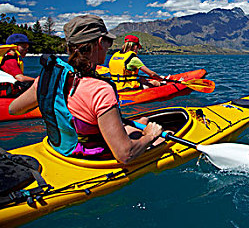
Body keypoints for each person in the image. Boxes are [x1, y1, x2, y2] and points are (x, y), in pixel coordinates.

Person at [9, 15, 163, 164]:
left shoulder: (47, 78)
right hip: (87, 157)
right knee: (164, 135)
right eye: (108, 42)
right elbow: (125, 155)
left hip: (57, 149)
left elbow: (14, 109)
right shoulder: (101, 90)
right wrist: (150, 136)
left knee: (142, 121)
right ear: (100, 42)